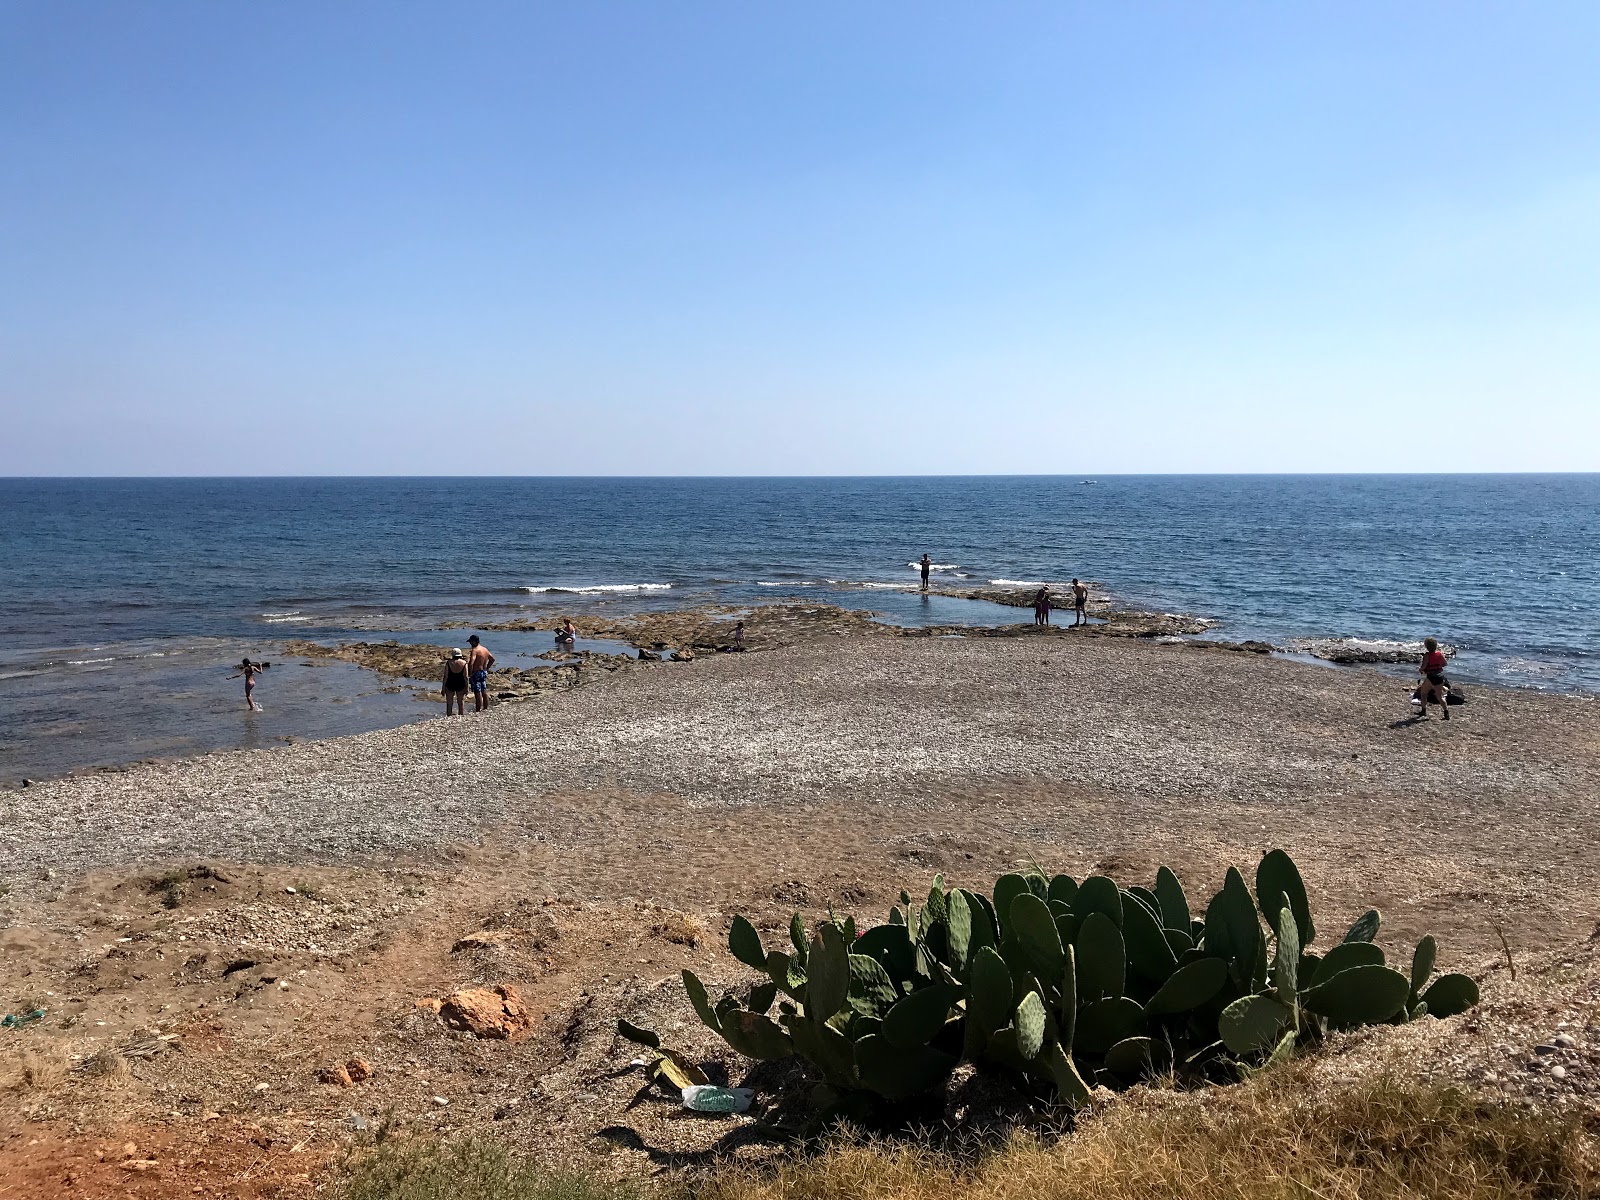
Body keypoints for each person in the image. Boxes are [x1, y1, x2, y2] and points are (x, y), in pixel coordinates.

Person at [1415, 636, 1451, 720]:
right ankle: (1446, 713)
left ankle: (1423, 711)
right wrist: (1437, 666)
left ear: (1426, 646)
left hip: (1431, 677)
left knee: (1423, 693)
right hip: (1440, 676)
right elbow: (1445, 664)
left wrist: (1419, 670)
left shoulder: (1427, 656)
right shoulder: (1439, 654)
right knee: (1440, 696)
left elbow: (1423, 667)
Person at [467, 634, 495, 712]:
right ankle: (485, 707)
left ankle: (478, 709)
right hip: (483, 671)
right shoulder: (485, 649)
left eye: (470, 642)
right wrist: (487, 668)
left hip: (476, 672)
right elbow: (492, 659)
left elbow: (471, 662)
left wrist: (469, 673)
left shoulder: (475, 650)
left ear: (473, 641)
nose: (470, 644)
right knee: (484, 690)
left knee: (477, 691)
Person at [442, 648, 469, 716]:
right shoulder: (464, 663)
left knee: (449, 702)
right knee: (460, 702)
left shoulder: (449, 663)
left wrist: (443, 688)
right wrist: (467, 687)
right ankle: (461, 715)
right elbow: (466, 676)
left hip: (450, 683)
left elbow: (445, 676)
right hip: (460, 684)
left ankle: (449, 716)